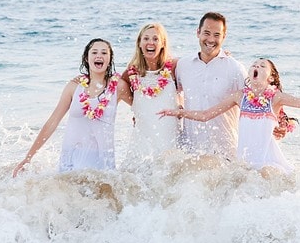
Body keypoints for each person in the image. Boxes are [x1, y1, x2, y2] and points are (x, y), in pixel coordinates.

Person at [159, 58, 300, 175]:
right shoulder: (239, 96)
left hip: (268, 163)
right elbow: (206, 115)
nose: (256, 67)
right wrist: (178, 112)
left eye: (262, 66)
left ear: (270, 77)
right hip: (242, 164)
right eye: (254, 65)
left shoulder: (275, 98)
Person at [12, 38, 129, 175]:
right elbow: (53, 121)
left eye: (104, 53)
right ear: (86, 58)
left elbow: (141, 107)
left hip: (102, 162)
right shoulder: (74, 87)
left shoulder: (118, 87)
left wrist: (138, 118)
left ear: (110, 59)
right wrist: (28, 157)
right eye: (94, 52)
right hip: (72, 157)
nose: (99, 55)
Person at [174, 12, 247, 159]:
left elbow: (252, 102)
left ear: (223, 37)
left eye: (217, 35)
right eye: (206, 33)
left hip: (225, 153)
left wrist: (277, 123)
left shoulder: (235, 68)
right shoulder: (183, 65)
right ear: (198, 32)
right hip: (190, 151)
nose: (211, 40)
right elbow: (173, 93)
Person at [120, 22, 182, 166]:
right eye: (146, 38)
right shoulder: (131, 72)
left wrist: (221, 56)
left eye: (155, 39)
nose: (150, 42)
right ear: (140, 43)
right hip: (144, 133)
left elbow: (197, 67)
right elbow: (117, 88)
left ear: (162, 44)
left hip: (168, 131)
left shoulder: (173, 66)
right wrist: (137, 108)